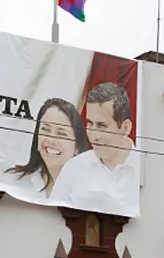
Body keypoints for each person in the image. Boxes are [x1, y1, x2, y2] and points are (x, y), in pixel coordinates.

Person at [50, 83, 141, 216]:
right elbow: (52, 218)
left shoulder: (146, 169)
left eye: (102, 126)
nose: (94, 136)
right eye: (90, 123)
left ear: (125, 128)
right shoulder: (74, 168)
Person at [8, 98, 90, 197]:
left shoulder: (90, 191)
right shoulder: (13, 180)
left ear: (77, 146)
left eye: (61, 133)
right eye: (45, 129)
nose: (51, 140)